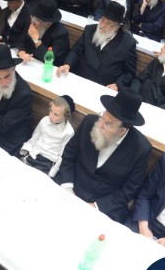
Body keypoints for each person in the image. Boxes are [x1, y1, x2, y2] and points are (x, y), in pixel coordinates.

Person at [53, 89, 151, 223]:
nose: (100, 125)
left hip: (104, 207)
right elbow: (69, 154)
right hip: (71, 187)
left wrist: (96, 207)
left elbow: (128, 190)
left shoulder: (141, 149)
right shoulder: (89, 122)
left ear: (122, 131)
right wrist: (68, 187)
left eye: (108, 124)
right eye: (102, 117)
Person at [58, 1, 137, 90]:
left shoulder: (128, 43)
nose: (103, 25)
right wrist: (67, 64)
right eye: (102, 20)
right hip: (80, 79)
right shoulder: (90, 30)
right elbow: (76, 50)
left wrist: (117, 85)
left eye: (108, 24)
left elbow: (129, 73)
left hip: (104, 87)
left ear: (117, 27)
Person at [20, 95, 75, 177]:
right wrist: (25, 151)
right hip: (33, 154)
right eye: (51, 111)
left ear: (66, 116)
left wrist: (52, 172)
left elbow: (62, 155)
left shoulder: (69, 132)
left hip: (47, 163)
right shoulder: (45, 120)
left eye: (56, 114)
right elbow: (34, 138)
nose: (51, 116)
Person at [15, 0, 69, 64]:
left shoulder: (61, 33)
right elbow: (20, 40)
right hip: (30, 62)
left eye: (37, 20)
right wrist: (22, 52)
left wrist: (36, 40)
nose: (32, 21)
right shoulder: (32, 21)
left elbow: (49, 59)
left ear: (48, 23)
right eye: (33, 17)